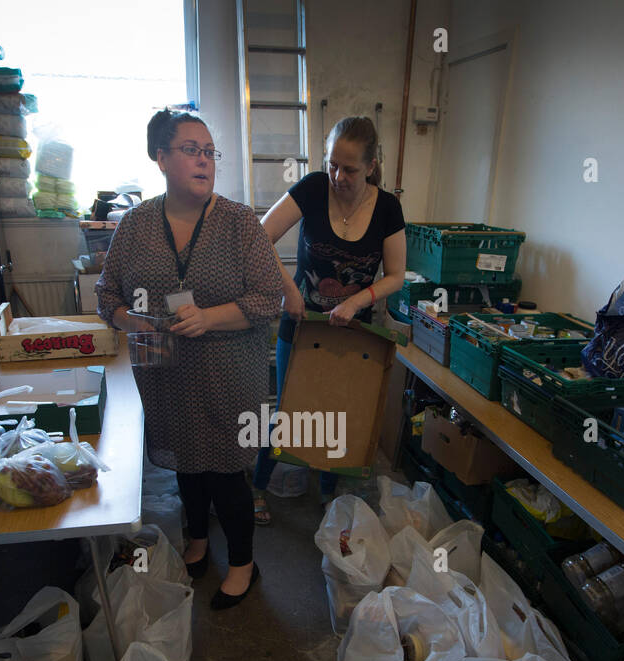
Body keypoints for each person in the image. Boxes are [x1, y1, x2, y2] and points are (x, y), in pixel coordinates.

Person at [96, 109, 283, 610]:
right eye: (191, 150)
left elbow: (270, 298)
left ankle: (242, 562)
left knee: (226, 471)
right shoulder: (135, 225)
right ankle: (197, 541)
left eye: (209, 152)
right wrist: (129, 320)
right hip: (165, 373)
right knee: (185, 463)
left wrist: (210, 318)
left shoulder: (240, 223)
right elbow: (106, 293)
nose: (205, 161)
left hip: (228, 373)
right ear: (160, 158)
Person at [250, 116, 406, 524]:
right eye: (333, 164)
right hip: (301, 325)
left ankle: (326, 491)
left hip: (352, 332)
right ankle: (257, 486)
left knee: (337, 412)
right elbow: (259, 236)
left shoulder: (388, 208)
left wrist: (356, 302)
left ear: (371, 166)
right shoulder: (313, 188)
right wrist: (289, 289)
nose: (338, 175)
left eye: (350, 168)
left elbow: (395, 276)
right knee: (291, 410)